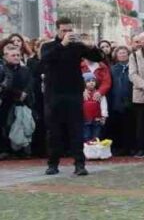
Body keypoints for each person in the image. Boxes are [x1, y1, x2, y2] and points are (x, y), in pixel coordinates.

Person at [40, 19, 107, 176]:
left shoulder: (77, 47)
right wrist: (62, 44)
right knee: (54, 131)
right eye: (64, 30)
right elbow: (45, 60)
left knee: (76, 130)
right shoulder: (49, 46)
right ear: (57, 31)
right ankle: (53, 163)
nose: (67, 33)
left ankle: (79, 164)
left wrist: (92, 46)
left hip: (74, 94)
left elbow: (98, 57)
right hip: (54, 94)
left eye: (69, 30)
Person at [105, 45, 134, 157]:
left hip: (131, 100)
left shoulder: (133, 67)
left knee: (130, 126)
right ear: (116, 55)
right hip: (116, 101)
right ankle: (119, 148)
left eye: (124, 52)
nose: (122, 55)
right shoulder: (113, 69)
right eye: (120, 53)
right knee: (118, 126)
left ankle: (130, 147)